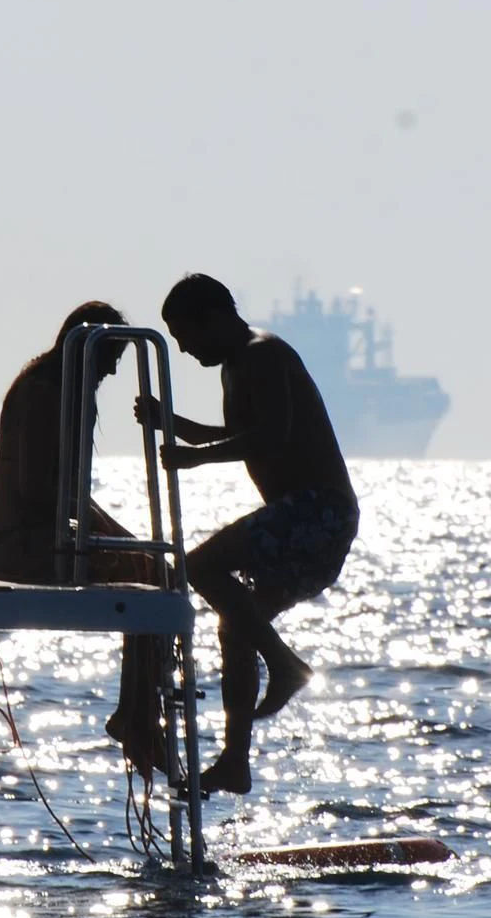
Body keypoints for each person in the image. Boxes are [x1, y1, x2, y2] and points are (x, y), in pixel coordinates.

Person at [136, 273, 359, 795]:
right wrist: (178, 425)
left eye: (186, 335)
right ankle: (235, 762)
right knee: (237, 624)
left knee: (203, 566)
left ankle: (284, 664)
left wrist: (193, 458)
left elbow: (272, 436)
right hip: (299, 517)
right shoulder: (235, 365)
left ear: (214, 317)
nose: (185, 350)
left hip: (317, 513)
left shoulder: (262, 354)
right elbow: (244, 435)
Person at [0, 301, 149, 586]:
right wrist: (102, 526)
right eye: (112, 359)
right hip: (15, 546)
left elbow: (72, 495)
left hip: (48, 538)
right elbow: (35, 489)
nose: (113, 372)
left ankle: (148, 626)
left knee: (155, 567)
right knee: (148, 573)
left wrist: (129, 540)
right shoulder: (41, 391)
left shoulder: (73, 395)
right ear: (88, 352)